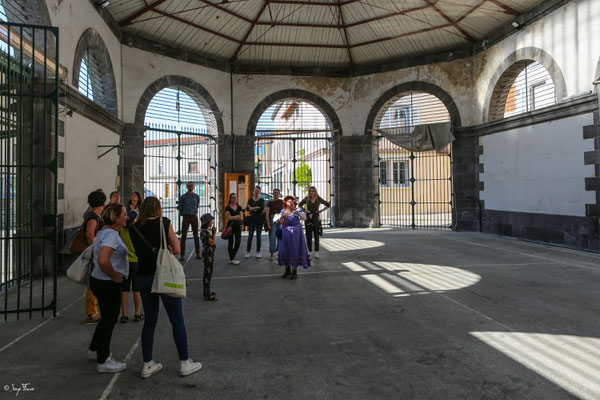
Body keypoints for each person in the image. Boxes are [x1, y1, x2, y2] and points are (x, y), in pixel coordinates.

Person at [129, 197, 202, 379]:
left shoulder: (134, 228)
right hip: (164, 275)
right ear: (158, 208)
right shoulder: (164, 222)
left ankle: (147, 364)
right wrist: (167, 246)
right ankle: (184, 362)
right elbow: (177, 248)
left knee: (150, 321)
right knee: (176, 320)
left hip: (143, 277)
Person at [87, 203, 129, 373]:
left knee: (106, 318)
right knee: (110, 320)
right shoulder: (111, 235)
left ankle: (94, 349)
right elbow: (103, 260)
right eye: (124, 214)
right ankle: (103, 359)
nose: (127, 217)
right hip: (107, 283)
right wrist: (115, 276)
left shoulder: (104, 232)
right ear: (116, 217)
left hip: (99, 280)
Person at [83, 190, 107, 324]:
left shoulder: (97, 215)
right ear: (102, 202)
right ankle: (91, 313)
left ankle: (93, 311)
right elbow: (90, 235)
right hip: (95, 253)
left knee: (95, 282)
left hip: (98, 251)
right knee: (93, 284)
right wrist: (96, 250)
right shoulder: (93, 217)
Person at [275, 195, 311, 280]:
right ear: (286, 203)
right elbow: (276, 220)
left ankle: (294, 271)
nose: (290, 203)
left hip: (296, 235)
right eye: (288, 201)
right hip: (285, 234)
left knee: (294, 250)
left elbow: (305, 217)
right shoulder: (283, 211)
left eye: (291, 201)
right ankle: (287, 270)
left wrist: (297, 212)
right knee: (285, 250)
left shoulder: (298, 210)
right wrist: (283, 215)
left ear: (294, 202)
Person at [119, 208, 143, 324]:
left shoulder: (122, 231)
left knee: (124, 290)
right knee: (136, 290)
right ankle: (137, 313)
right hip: (136, 262)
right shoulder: (137, 231)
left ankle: (124, 314)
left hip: (124, 263)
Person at [299, 186, 330, 259]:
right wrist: (304, 210)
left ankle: (316, 252)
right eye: (310, 191)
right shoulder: (306, 198)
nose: (311, 192)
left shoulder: (318, 198)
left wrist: (321, 211)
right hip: (308, 217)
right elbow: (299, 204)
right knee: (308, 235)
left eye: (313, 191)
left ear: (315, 192)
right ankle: (309, 252)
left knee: (316, 234)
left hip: (316, 217)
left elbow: (328, 204)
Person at [177, 182, 201, 261]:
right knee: (184, 236)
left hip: (194, 216)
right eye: (189, 185)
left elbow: (197, 205)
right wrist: (183, 214)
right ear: (187, 187)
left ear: (193, 187)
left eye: (192, 185)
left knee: (196, 236)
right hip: (186, 217)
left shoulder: (197, 197)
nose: (190, 187)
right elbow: (180, 207)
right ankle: (182, 255)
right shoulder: (183, 197)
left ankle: (198, 253)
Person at [200, 214, 217, 301]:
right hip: (208, 255)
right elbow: (212, 243)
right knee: (207, 274)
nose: (212, 222)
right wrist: (214, 233)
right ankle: (207, 293)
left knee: (208, 273)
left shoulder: (203, 231)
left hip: (207, 254)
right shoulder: (206, 233)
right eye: (211, 221)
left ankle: (207, 290)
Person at [245, 186, 265, 259]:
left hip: (259, 219)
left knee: (258, 236)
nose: (256, 192)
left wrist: (252, 208)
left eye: (258, 191)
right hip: (252, 219)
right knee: (250, 236)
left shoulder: (261, 200)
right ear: (253, 191)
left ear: (259, 192)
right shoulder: (250, 199)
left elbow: (261, 209)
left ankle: (258, 252)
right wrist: (256, 207)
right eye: (255, 190)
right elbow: (247, 208)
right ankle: (248, 251)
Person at [266, 189, 284, 261]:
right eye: (274, 193)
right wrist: (268, 224)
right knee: (272, 237)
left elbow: (284, 212)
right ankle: (272, 253)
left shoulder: (282, 202)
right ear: (273, 194)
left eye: (277, 193)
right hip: (272, 219)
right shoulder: (270, 202)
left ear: (279, 194)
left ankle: (280, 253)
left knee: (280, 237)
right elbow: (267, 214)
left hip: (280, 219)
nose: (276, 194)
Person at [224, 193, 243, 264]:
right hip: (230, 227)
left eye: (235, 197)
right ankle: (232, 258)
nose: (234, 199)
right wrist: (236, 216)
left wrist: (234, 217)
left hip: (238, 227)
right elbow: (229, 218)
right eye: (233, 197)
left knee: (238, 242)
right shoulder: (227, 208)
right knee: (231, 242)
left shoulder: (239, 207)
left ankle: (232, 256)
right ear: (230, 199)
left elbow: (241, 218)